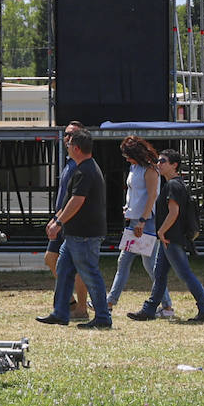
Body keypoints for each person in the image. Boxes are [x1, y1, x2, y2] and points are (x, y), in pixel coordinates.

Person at [127, 148, 204, 323]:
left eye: (163, 161)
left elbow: (173, 212)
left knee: (185, 274)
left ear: (174, 165)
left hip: (171, 238)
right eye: (158, 161)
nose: (158, 164)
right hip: (169, 238)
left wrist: (161, 231)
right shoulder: (175, 184)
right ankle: (149, 309)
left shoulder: (173, 185)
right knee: (159, 274)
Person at [36, 128, 112, 329]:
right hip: (75, 235)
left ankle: (103, 317)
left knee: (89, 274)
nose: (66, 147)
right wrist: (56, 220)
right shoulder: (80, 168)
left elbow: (77, 201)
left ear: (77, 148)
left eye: (69, 144)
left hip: (85, 235)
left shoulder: (86, 171)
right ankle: (60, 312)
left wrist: (58, 223)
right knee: (63, 268)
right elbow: (69, 199)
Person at [105, 136, 174, 317]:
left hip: (145, 221)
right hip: (135, 220)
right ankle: (110, 302)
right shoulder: (135, 167)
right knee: (126, 261)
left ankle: (167, 306)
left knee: (149, 265)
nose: (126, 159)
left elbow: (152, 197)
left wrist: (142, 220)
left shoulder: (151, 170)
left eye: (128, 155)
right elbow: (135, 192)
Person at [46, 121, 90, 320]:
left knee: (80, 267)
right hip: (61, 218)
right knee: (50, 258)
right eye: (66, 134)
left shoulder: (80, 166)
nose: (67, 138)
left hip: (71, 222)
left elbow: (76, 198)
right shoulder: (69, 163)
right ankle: (71, 302)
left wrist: (60, 220)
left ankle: (82, 307)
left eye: (71, 135)